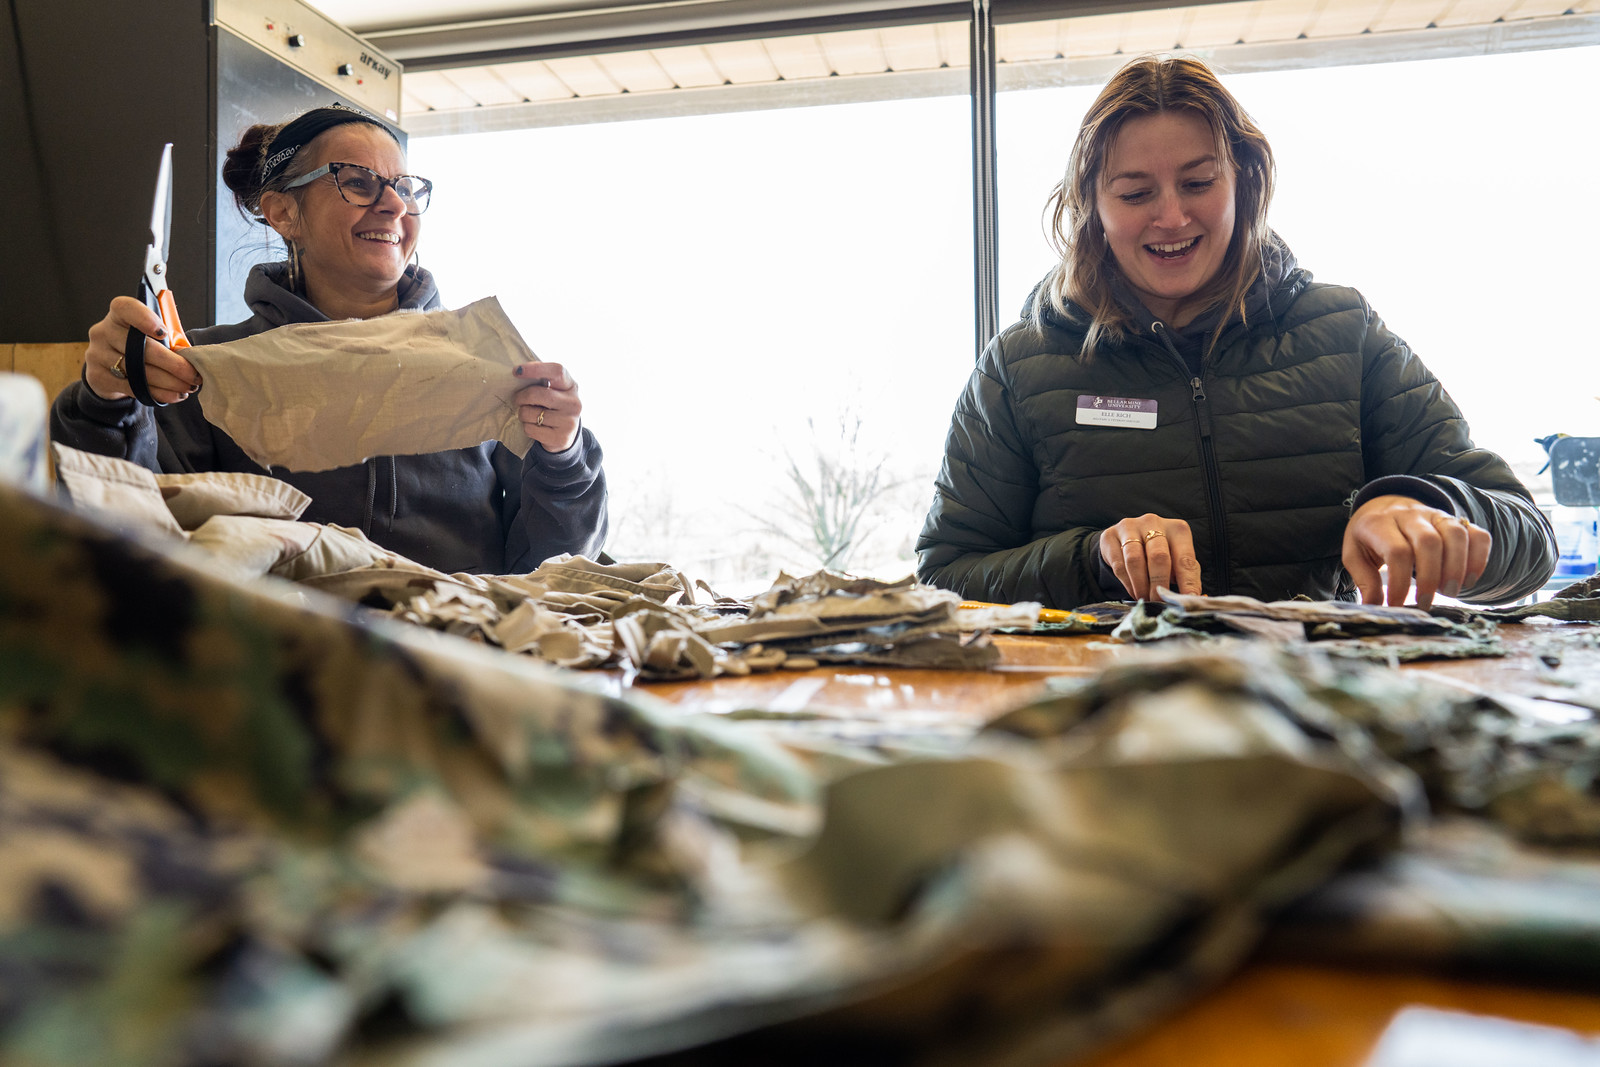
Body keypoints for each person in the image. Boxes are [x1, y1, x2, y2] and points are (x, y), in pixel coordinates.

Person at [917, 56, 1554, 611]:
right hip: (1102, 723)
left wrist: (1430, 510)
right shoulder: (1018, 365)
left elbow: (1531, 542)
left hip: (1315, 719)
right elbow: (943, 577)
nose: (1172, 216)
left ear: (1243, 181)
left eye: (1198, 183)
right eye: (1136, 192)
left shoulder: (1344, 332)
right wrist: (1090, 562)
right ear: (1092, 206)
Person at [51, 104, 606, 575]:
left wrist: (563, 455)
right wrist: (106, 403)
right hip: (282, 674)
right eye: (358, 182)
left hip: (454, 672)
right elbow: (122, 533)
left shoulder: (482, 367)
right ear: (284, 213)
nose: (393, 205)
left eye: (405, 188)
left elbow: (553, 569)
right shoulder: (198, 371)